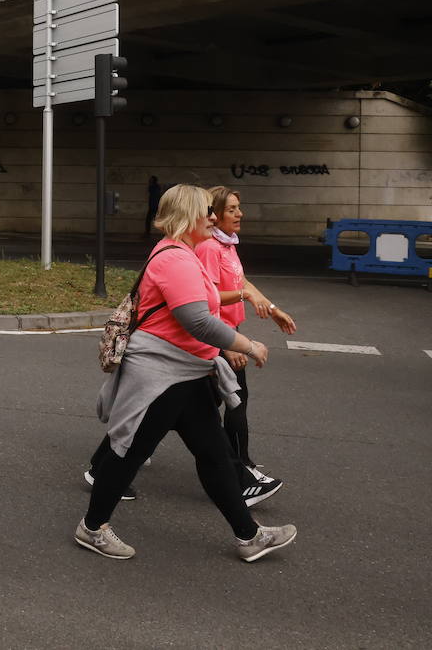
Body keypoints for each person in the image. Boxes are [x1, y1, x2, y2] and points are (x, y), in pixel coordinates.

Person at [77, 184, 296, 563]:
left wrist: (224, 345)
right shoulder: (174, 259)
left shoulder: (185, 253)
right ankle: (93, 528)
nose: (213, 217)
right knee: (128, 454)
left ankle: (249, 536)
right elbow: (195, 319)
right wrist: (245, 345)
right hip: (160, 374)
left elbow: (200, 315)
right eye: (206, 212)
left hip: (187, 370)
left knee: (213, 454)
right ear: (186, 217)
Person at [195, 186, 297, 506]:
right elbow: (209, 299)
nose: (240, 214)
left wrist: (271, 307)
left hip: (228, 331)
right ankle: (242, 471)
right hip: (217, 333)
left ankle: (114, 457)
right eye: (232, 210)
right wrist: (227, 345)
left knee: (192, 406)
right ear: (216, 214)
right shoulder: (211, 248)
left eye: (240, 208)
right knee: (235, 399)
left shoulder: (227, 245)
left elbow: (241, 281)